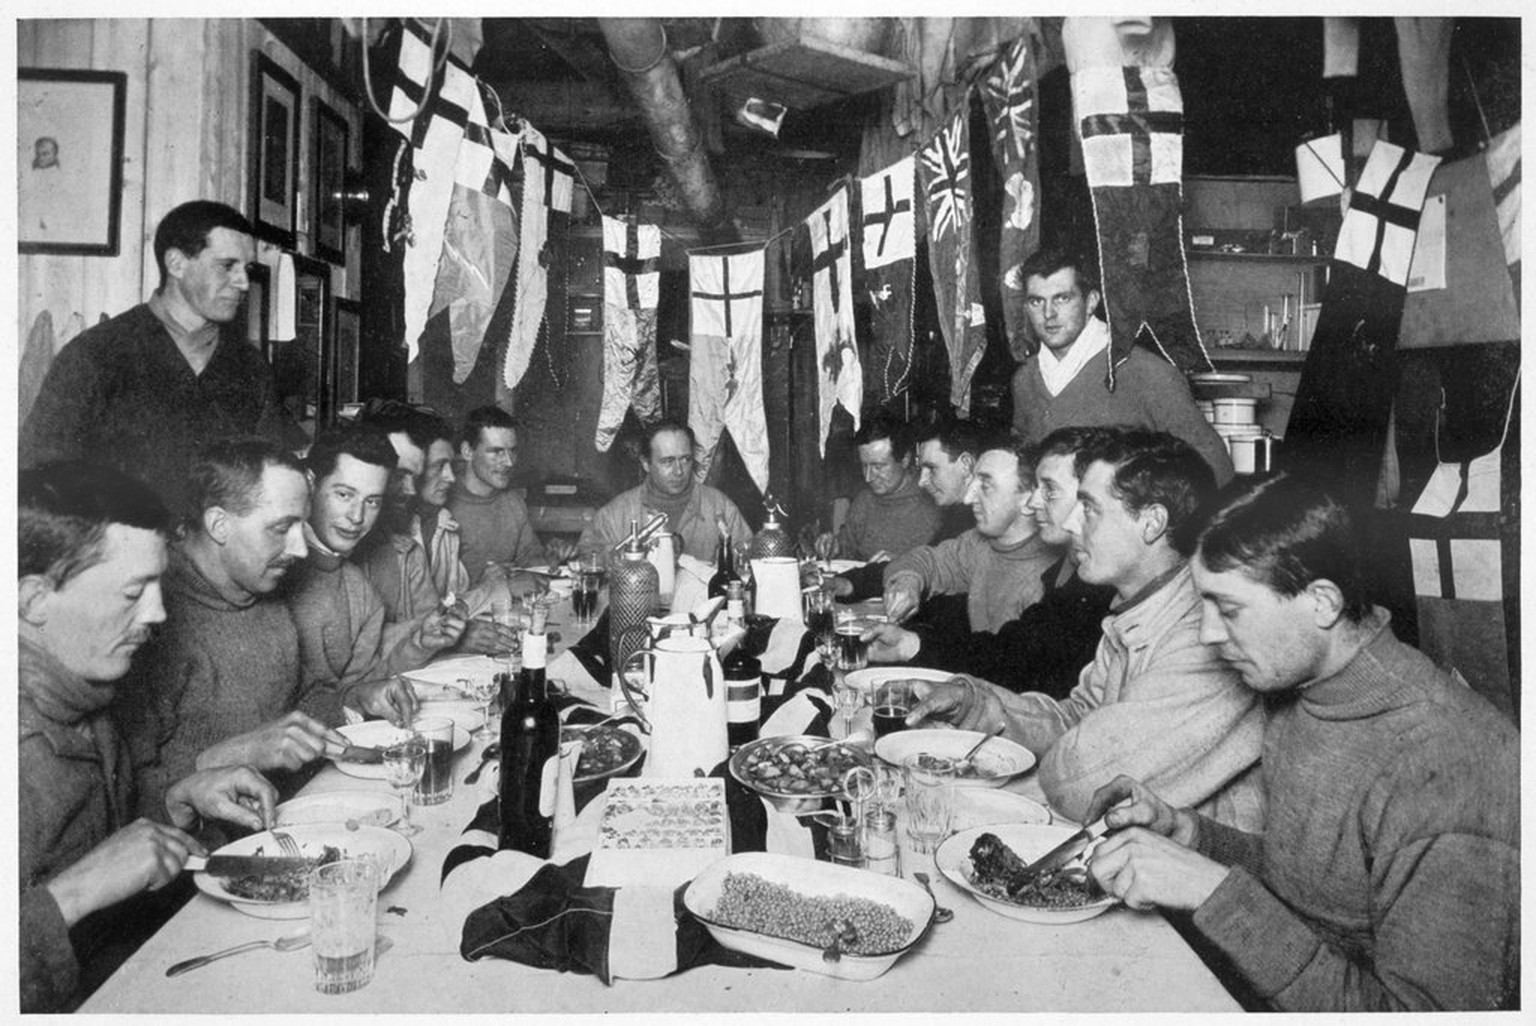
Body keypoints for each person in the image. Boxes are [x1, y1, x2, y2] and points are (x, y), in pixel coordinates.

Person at [1085, 473, 1519, 1011]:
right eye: (1203, 609)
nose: (1208, 635)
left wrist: (1214, 892)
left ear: (1321, 603)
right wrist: (1191, 835)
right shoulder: (1302, 692)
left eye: (1230, 609)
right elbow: (1321, 890)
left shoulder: (1447, 764)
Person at [19, 461, 278, 1012]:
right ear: (34, 601)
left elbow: (116, 852)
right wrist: (73, 895)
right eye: (133, 592)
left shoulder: (86, 697)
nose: (158, 612)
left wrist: (176, 803)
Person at [906, 429, 1264, 827]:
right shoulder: (1132, 611)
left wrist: (957, 790)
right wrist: (975, 704)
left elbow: (1085, 781)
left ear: (1152, 523)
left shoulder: (1202, 636)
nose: (1073, 523)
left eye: (1090, 508)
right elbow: (1075, 718)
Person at [115, 438, 341, 818]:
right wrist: (230, 756)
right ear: (219, 524)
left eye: (302, 526)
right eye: (282, 528)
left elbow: (306, 696)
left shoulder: (262, 587)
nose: (301, 550)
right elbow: (120, 800)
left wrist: (354, 701)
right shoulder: (145, 622)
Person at [20, 200, 295, 511]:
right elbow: (40, 476)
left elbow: (269, 481)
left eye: (246, 269)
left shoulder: (251, 367)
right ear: (176, 264)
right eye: (226, 266)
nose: (243, 283)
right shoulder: (96, 354)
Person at [865, 427, 1117, 698]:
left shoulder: (1078, 577)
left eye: (1049, 490)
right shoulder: (1052, 567)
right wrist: (909, 583)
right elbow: (927, 560)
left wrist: (913, 645)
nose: (1035, 502)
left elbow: (1014, 662)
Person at [1009, 246, 1233, 484]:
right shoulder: (1025, 379)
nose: (1048, 314)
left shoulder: (1146, 372)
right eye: (1036, 302)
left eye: (1062, 298)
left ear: (1091, 302)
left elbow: (1215, 467)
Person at [284, 425, 464, 719]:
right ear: (310, 483)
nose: (357, 517)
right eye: (344, 495)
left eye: (372, 501)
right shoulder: (272, 571)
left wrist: (419, 644)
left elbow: (358, 691)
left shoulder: (360, 591)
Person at [354, 402, 514, 655]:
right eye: (438, 466)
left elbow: (437, 616)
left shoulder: (436, 526)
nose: (451, 477)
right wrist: (490, 591)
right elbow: (359, 644)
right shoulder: (357, 537)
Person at [878, 439, 1059, 632]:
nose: (968, 498)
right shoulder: (978, 544)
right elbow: (926, 560)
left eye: (986, 485)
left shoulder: (1047, 580)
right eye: (974, 482)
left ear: (1029, 498)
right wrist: (908, 580)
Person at [829, 415, 983, 602]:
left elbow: (934, 572)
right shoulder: (959, 514)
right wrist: (848, 584)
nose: (922, 480)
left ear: (966, 464)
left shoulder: (981, 520)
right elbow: (929, 564)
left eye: (932, 469)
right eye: (864, 466)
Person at [581, 419, 750, 562]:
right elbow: (589, 561)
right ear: (646, 463)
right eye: (667, 462)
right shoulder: (615, 514)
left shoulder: (721, 508)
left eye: (685, 459)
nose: (678, 471)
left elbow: (749, 560)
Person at [447, 406, 547, 584]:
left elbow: (532, 561)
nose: (509, 462)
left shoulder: (513, 502)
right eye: (496, 451)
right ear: (467, 451)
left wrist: (550, 559)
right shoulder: (443, 504)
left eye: (512, 451)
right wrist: (485, 583)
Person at [828, 410, 941, 561]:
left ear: (905, 459)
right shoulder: (864, 500)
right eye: (864, 466)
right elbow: (846, 552)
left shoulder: (935, 501)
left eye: (878, 466)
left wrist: (903, 563)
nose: (868, 477)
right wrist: (833, 546)